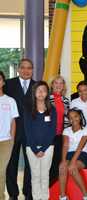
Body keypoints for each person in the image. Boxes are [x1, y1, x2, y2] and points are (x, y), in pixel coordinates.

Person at [4, 58, 36, 200]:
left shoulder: (38, 86)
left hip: (30, 132)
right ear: (18, 69)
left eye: (29, 68)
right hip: (12, 130)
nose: (26, 70)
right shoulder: (8, 84)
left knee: (30, 164)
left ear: (32, 70)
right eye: (23, 67)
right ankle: (13, 194)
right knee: (11, 164)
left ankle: (28, 193)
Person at [24, 81, 56, 200]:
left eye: (44, 90)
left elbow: (52, 132)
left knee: (45, 175)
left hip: (48, 148)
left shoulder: (52, 110)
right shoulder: (28, 110)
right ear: (34, 92)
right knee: (35, 175)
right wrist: (34, 149)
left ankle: (45, 197)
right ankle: (37, 198)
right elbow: (27, 131)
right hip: (31, 148)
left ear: (47, 93)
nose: (41, 92)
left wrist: (42, 149)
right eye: (38, 90)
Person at [59, 108, 87, 200]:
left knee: (72, 167)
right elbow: (65, 145)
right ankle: (63, 197)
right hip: (69, 153)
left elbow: (80, 147)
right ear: (68, 119)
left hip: (82, 154)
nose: (73, 119)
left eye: (76, 116)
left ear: (80, 117)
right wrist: (63, 160)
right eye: (70, 117)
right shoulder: (66, 130)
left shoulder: (85, 130)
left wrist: (72, 162)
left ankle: (86, 195)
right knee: (62, 167)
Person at [0, 71, 19, 200]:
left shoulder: (10, 100)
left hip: (6, 141)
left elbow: (13, 121)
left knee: (1, 171)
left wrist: (12, 140)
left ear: (3, 82)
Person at [49, 75, 70, 186]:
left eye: (61, 83)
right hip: (49, 136)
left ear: (63, 86)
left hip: (61, 136)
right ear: (52, 85)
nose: (58, 85)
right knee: (48, 163)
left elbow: (68, 119)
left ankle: (55, 189)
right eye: (56, 83)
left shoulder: (66, 101)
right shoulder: (46, 99)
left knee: (58, 162)